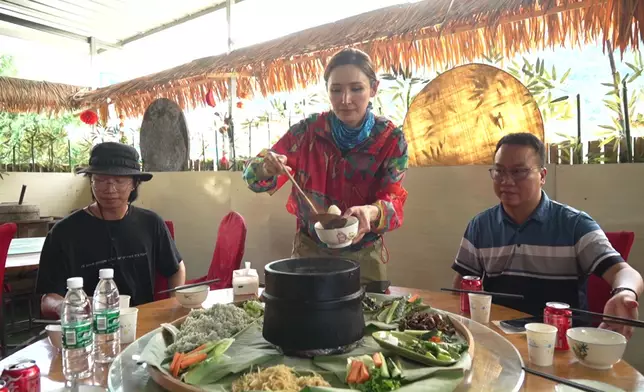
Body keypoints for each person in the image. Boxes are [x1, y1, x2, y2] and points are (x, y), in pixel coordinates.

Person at [451, 133, 643, 338]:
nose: (506, 180)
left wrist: (624, 293)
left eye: (518, 171)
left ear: (542, 176)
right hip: (499, 340)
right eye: (499, 171)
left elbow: (624, 272)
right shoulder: (480, 225)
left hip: (561, 342)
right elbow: (461, 286)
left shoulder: (574, 224)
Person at [243, 48, 408, 284]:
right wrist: (266, 167)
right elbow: (252, 178)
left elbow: (394, 202)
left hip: (364, 257)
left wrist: (370, 212)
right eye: (336, 90)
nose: (345, 99)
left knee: (366, 319)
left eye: (357, 88)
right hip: (309, 252)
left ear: (374, 89)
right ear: (327, 91)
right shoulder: (307, 132)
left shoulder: (391, 140)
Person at [36, 142, 186, 318]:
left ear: (134, 184)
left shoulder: (151, 223)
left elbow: (176, 268)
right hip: (88, 327)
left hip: (141, 323)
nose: (110, 189)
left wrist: (174, 305)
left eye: (119, 181)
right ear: (90, 182)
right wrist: (64, 306)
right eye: (100, 180)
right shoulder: (64, 232)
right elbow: (47, 298)